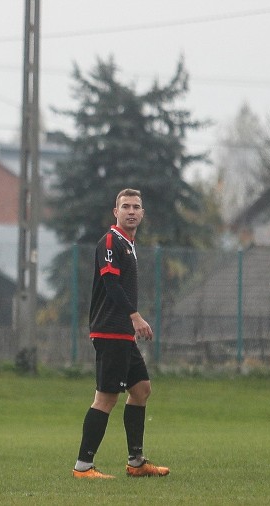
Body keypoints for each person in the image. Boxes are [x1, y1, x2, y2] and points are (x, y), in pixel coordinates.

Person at [72, 188, 170, 479]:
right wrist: (135, 315)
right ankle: (83, 466)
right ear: (115, 212)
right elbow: (112, 285)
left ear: (142, 213)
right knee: (105, 398)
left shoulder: (129, 244)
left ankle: (136, 463)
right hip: (109, 330)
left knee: (141, 390)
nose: (131, 210)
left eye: (136, 206)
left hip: (122, 333)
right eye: (125, 206)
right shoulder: (111, 241)